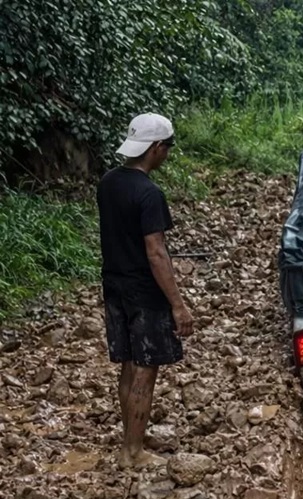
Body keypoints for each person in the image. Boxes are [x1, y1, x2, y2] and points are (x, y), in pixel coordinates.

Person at [97, 113, 194, 468]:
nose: (168, 154)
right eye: (167, 147)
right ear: (155, 148)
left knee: (127, 364)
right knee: (146, 368)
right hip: (143, 291)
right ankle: (133, 452)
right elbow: (156, 252)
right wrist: (178, 305)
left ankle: (130, 441)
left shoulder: (108, 182)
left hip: (114, 285)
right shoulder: (149, 194)